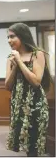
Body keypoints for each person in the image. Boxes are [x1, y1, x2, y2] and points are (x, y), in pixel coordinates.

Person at [5, 23, 53, 157]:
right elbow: (8, 86)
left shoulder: (37, 54)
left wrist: (20, 62)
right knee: (24, 145)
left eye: (12, 36)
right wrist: (14, 67)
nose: (9, 40)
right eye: (8, 37)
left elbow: (36, 82)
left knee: (34, 146)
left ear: (23, 35)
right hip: (18, 105)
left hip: (35, 105)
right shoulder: (10, 58)